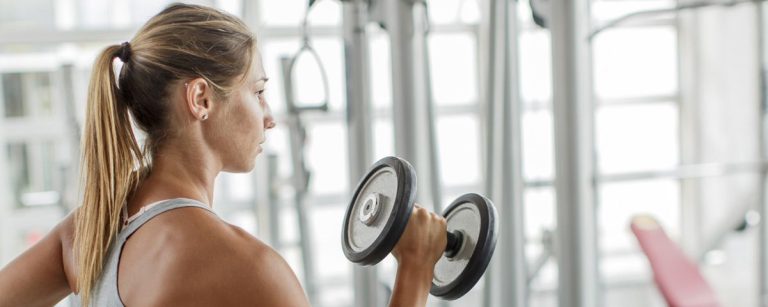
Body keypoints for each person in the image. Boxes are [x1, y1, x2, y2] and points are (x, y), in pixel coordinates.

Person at [0, 3, 447, 307]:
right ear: (201, 99)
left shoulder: (88, 229)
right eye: (258, 92)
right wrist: (415, 269)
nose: (268, 117)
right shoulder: (245, 266)